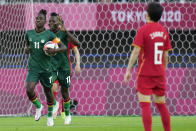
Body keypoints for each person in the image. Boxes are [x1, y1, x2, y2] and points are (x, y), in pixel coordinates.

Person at [124, 2, 172, 131]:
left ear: (148, 14)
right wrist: (163, 70)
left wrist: (128, 70)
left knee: (145, 105)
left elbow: (135, 52)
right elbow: (165, 56)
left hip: (145, 73)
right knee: (162, 105)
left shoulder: (143, 30)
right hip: (159, 73)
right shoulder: (164, 31)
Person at [25, 9, 66, 126]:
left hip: (46, 69)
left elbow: (62, 46)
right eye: (37, 18)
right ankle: (38, 106)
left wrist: (55, 50)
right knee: (29, 90)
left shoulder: (50, 35)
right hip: (33, 68)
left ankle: (49, 117)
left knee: (48, 92)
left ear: (45, 21)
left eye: (40, 19)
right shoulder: (29, 33)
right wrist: (27, 49)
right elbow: (27, 45)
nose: (38, 20)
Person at [48, 12, 81, 125]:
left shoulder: (65, 35)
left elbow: (77, 44)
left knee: (65, 91)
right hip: (52, 67)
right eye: (50, 21)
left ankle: (66, 114)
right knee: (50, 86)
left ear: (59, 23)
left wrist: (78, 64)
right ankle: (55, 106)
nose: (51, 23)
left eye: (53, 21)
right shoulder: (48, 35)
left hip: (65, 68)